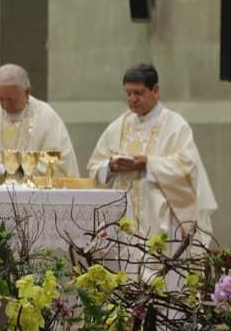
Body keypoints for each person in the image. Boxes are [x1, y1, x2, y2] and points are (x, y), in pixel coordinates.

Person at [88, 63, 217, 246]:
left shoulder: (175, 126)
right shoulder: (118, 127)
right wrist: (110, 166)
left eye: (138, 93)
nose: (132, 99)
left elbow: (188, 168)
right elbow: (94, 166)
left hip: (161, 220)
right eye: (128, 93)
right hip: (123, 220)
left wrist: (149, 164)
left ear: (155, 90)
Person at [0, 63, 79, 177]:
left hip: (33, 196)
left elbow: (58, 162)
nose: (4, 105)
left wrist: (12, 168)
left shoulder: (46, 118)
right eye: (1, 99)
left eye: (10, 99)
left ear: (27, 91)